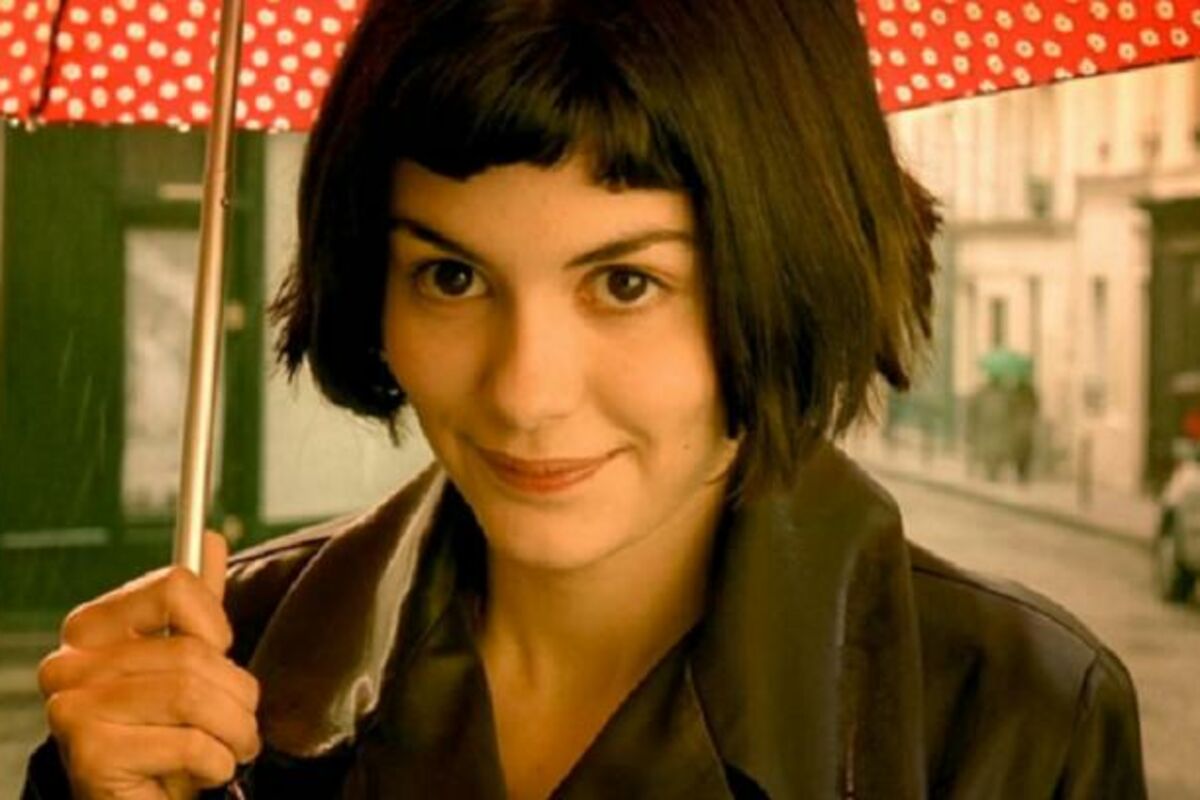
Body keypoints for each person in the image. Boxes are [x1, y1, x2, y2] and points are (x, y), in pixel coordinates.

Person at [25, 0, 1146, 797]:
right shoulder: (219, 675)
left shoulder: (1013, 719)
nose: (525, 392)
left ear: (786, 271)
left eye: (626, 282)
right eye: (451, 276)